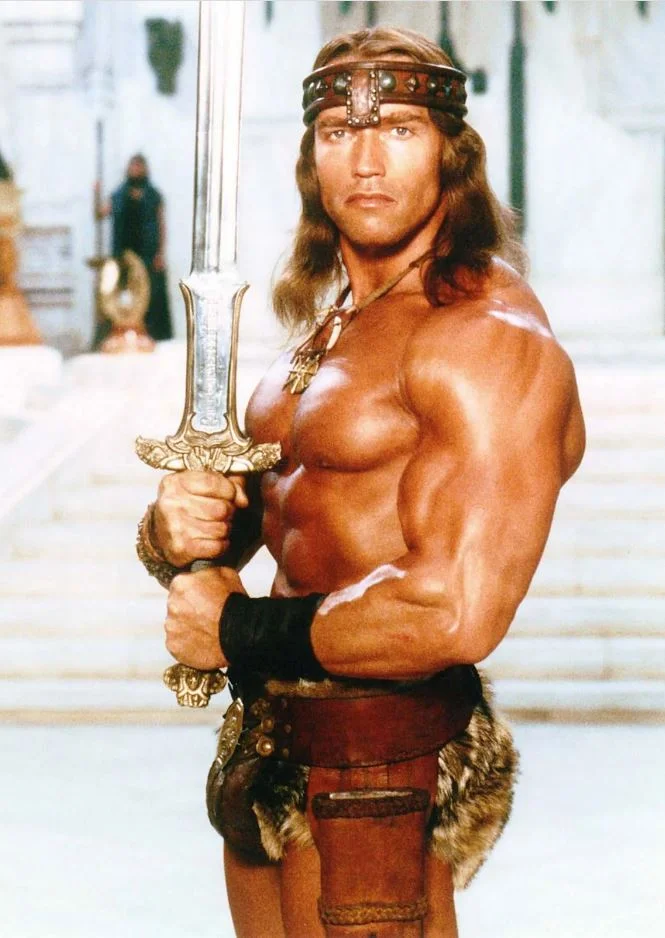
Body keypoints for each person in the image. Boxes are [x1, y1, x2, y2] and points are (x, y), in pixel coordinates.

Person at [136, 26, 585, 938]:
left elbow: (453, 611)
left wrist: (233, 629)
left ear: (452, 155)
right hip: (273, 748)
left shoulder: (484, 340)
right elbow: (275, 516)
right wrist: (175, 529)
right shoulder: (332, 326)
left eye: (400, 131)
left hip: (381, 764)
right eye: (338, 132)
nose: (366, 161)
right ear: (310, 159)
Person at [94, 153, 173, 346]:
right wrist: (96, 193)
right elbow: (100, 214)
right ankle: (119, 334)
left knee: (150, 298)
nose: (135, 170)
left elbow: (161, 225)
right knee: (120, 296)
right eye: (133, 166)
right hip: (123, 256)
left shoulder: (154, 195)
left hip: (148, 255)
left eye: (139, 166)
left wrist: (160, 254)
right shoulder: (118, 195)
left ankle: (152, 336)